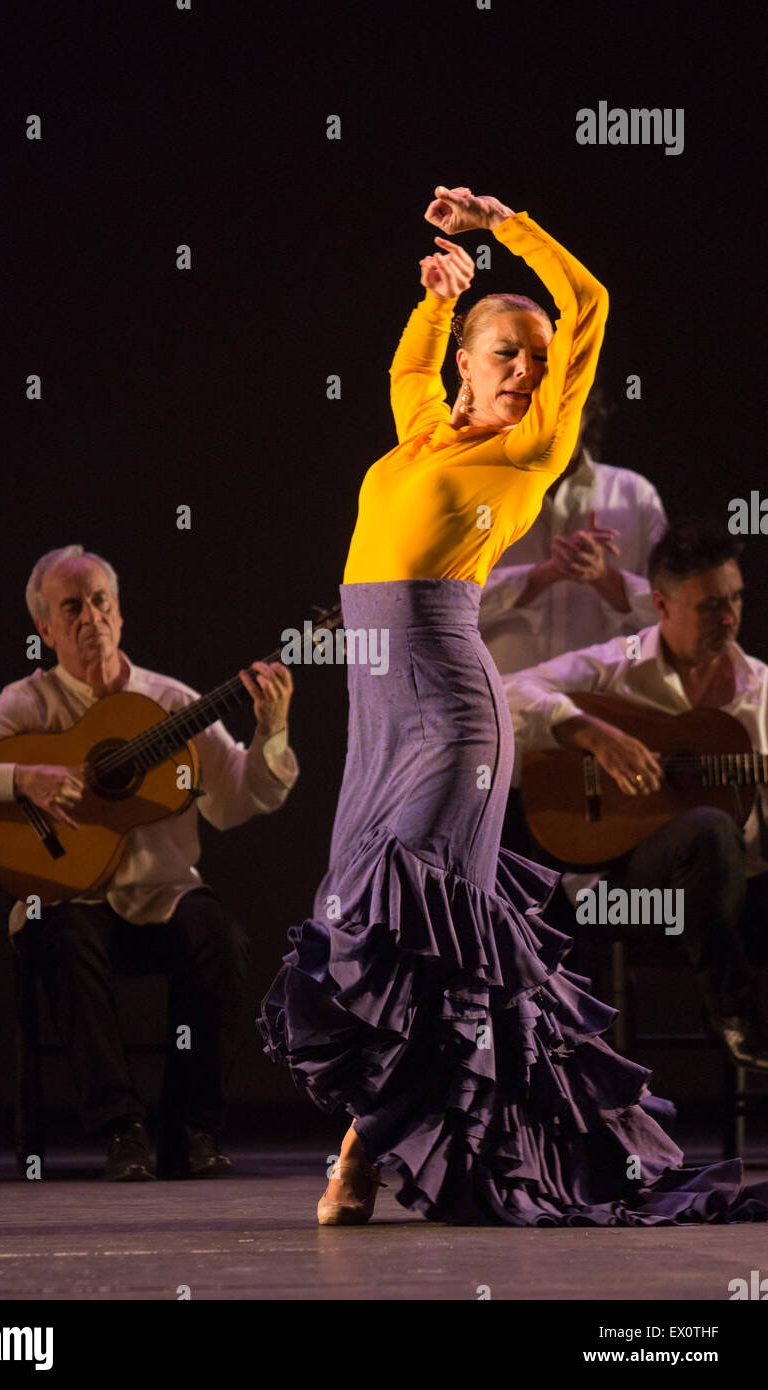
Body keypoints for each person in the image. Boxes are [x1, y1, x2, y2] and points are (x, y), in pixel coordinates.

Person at [258, 185, 768, 1226]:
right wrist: (440, 296)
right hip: (379, 716)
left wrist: (501, 230)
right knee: (362, 921)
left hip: (452, 712)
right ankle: (383, 1143)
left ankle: (358, 1157)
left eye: (536, 358)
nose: (526, 370)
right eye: (505, 352)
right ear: (465, 366)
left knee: (418, 922)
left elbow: (587, 304)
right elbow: (408, 368)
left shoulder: (524, 451)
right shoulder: (420, 434)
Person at [0, 545, 298, 1181]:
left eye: (100, 601)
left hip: (162, 895)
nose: (91, 616)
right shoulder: (28, 704)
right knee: (63, 936)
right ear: (46, 630)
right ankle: (124, 1130)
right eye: (72, 606)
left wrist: (271, 731)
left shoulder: (171, 702)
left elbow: (234, 802)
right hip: (70, 898)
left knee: (222, 940)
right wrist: (20, 779)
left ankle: (192, 1128)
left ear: (119, 611)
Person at [503, 517, 768, 1069]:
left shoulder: (760, 692)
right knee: (707, 828)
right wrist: (593, 734)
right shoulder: (617, 664)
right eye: (711, 606)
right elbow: (506, 693)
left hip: (740, 894)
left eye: (737, 600)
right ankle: (737, 1013)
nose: (731, 617)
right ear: (662, 606)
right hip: (622, 890)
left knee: (720, 835)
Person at [479, 383, 668, 676]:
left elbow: (673, 615)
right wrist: (535, 579)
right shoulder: (481, 496)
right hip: (505, 711)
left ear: (588, 409)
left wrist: (606, 578)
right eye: (539, 407)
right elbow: (442, 612)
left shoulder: (636, 496)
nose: (552, 420)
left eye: (565, 406)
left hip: (605, 709)